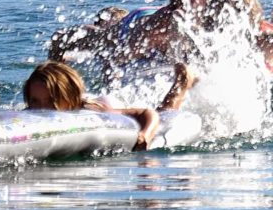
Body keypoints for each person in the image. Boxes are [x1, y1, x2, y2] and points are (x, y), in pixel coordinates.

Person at [23, 60, 195, 151]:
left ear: (69, 98)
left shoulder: (92, 111)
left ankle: (182, 83)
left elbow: (147, 113)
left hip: (107, 104)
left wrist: (145, 135)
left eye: (51, 101)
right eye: (35, 101)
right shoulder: (32, 113)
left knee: (166, 113)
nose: (42, 109)